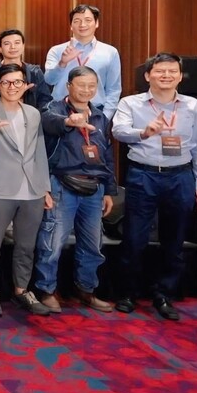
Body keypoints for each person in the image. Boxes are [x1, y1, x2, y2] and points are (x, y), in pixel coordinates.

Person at [112, 53, 197, 321]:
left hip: (180, 176)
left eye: (172, 71)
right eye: (160, 71)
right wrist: (143, 132)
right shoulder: (130, 103)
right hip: (143, 175)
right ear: (148, 76)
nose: (166, 75)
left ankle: (164, 294)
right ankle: (128, 292)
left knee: (174, 240)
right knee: (134, 239)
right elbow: (118, 131)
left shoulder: (193, 106)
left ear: (179, 76)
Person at [0, 64, 53, 317]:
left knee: (26, 246)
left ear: (25, 85)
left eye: (17, 82)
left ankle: (22, 290)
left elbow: (40, 152)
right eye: (6, 82)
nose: (12, 87)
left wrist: (45, 188)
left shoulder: (33, 113)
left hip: (32, 190)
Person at [34, 66, 116, 313]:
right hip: (62, 184)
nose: (87, 90)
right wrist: (69, 121)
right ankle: (46, 290)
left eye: (92, 86)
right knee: (52, 243)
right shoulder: (54, 109)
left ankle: (86, 290)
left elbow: (107, 155)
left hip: (94, 188)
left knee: (93, 245)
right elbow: (49, 123)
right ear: (69, 86)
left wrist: (109, 190)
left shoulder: (100, 116)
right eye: (81, 85)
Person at [44, 4, 122, 119]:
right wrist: (62, 63)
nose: (82, 24)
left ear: (96, 23)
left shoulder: (110, 52)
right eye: (77, 21)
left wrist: (104, 118)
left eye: (88, 20)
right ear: (71, 26)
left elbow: (113, 89)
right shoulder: (57, 50)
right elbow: (49, 80)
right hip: (61, 111)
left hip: (96, 111)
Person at [0, 29, 52, 111]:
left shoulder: (34, 72)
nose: (13, 47)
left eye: (17, 43)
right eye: (7, 43)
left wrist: (34, 115)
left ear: (23, 46)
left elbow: (45, 100)